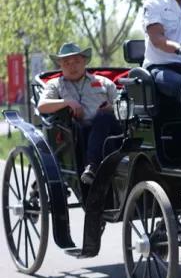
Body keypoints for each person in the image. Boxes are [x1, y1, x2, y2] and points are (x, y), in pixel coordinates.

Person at [38, 43, 120, 185]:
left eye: (76, 61)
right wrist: (66, 102)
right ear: (60, 65)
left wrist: (112, 108)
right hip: (76, 135)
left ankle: (92, 166)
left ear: (84, 62)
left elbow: (123, 106)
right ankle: (91, 168)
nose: (72, 66)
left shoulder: (104, 82)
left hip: (108, 132)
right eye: (66, 63)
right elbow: (42, 106)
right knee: (79, 128)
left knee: (104, 117)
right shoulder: (55, 84)